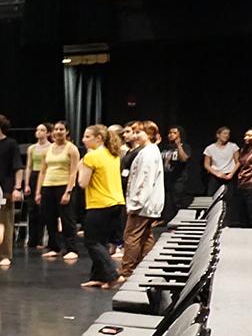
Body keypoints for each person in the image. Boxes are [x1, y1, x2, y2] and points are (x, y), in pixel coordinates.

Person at [76, 125, 126, 289]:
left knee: (92, 242)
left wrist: (80, 165)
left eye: (88, 136)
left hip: (100, 204)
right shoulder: (113, 155)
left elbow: (82, 183)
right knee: (101, 242)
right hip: (116, 203)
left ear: (99, 138)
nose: (83, 140)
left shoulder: (91, 157)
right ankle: (99, 277)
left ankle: (113, 274)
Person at [121, 122, 165, 278]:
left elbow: (144, 180)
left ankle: (127, 271)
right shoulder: (149, 151)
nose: (135, 135)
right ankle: (147, 268)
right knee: (145, 236)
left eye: (138, 132)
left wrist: (135, 203)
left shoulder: (148, 153)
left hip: (143, 203)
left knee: (131, 235)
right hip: (147, 203)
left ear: (149, 134)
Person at [35, 121, 82, 261]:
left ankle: (71, 248)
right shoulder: (48, 149)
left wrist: (68, 191)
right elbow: (42, 172)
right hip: (48, 186)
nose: (58, 132)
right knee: (49, 218)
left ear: (67, 132)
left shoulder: (71, 148)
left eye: (61, 129)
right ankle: (54, 247)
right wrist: (38, 191)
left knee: (67, 219)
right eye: (56, 129)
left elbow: (73, 171)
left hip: (63, 185)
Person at [0, 114, 25, 268]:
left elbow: (18, 167)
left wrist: (17, 187)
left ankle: (4, 254)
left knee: (4, 222)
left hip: (5, 188)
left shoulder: (10, 144)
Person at [23, 123, 51, 249]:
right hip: (34, 176)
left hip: (46, 176)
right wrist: (27, 184)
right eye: (37, 129)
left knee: (43, 210)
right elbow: (28, 166)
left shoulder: (51, 147)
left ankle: (41, 239)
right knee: (32, 209)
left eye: (42, 130)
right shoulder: (32, 148)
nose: (39, 132)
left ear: (47, 133)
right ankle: (31, 240)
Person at [160, 125, 193, 223]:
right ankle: (166, 220)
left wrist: (179, 146)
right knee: (167, 202)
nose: (171, 135)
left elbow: (184, 159)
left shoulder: (185, 146)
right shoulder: (164, 147)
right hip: (166, 178)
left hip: (179, 179)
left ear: (180, 134)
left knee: (177, 201)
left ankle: (178, 222)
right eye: (170, 133)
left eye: (174, 133)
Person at [203, 126, 240, 195]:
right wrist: (217, 173)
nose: (227, 136)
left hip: (229, 176)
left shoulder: (233, 146)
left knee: (230, 197)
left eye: (228, 134)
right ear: (218, 135)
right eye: (224, 133)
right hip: (215, 176)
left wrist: (231, 174)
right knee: (212, 196)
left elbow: (238, 162)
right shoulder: (210, 148)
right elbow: (206, 165)